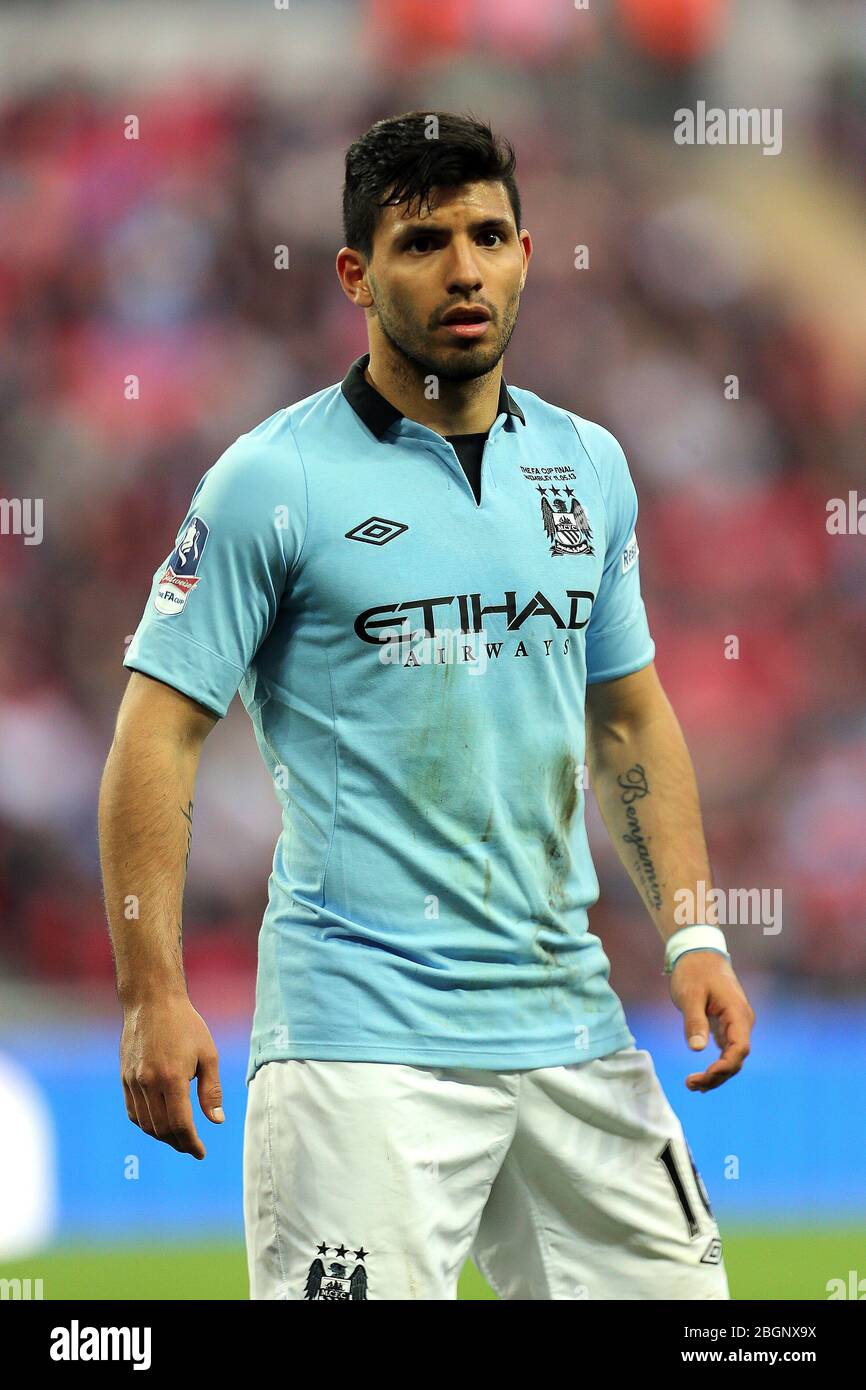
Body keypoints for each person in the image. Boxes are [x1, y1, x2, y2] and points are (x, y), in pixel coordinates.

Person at [98, 111, 754, 1301]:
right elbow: (160, 729)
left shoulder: (586, 467)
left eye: (488, 235)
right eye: (421, 241)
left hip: (570, 1026)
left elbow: (626, 719)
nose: (463, 269)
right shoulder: (271, 479)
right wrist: (151, 992)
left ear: (523, 251)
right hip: (360, 1046)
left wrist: (692, 930)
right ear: (354, 272)